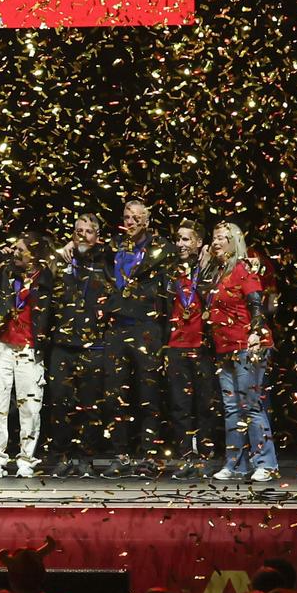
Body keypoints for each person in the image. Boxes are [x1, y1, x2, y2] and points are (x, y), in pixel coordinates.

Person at [207, 221, 277, 483]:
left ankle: (266, 463)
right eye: (214, 237)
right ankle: (236, 463)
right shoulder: (217, 272)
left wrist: (256, 333)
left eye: (222, 238)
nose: (215, 242)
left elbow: (256, 304)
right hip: (224, 347)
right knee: (232, 408)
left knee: (251, 405)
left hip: (247, 346)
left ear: (234, 242)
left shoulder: (242, 268)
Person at [104, 199, 171, 478]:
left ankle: (148, 454)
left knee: (148, 394)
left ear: (147, 219)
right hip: (117, 328)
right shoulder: (112, 247)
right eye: (126, 217)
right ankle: (120, 453)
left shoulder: (161, 248)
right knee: (115, 395)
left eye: (135, 217)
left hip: (148, 328)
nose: (130, 222)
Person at [47, 214, 114, 477]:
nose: (83, 235)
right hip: (63, 343)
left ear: (97, 236)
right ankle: (62, 455)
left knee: (90, 404)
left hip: (93, 344)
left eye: (89, 231)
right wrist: (60, 253)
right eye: (78, 230)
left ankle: (86, 457)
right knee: (60, 403)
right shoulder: (62, 260)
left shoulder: (105, 260)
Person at [0, 231, 50, 478]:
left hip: (29, 347)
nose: (15, 252)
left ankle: (26, 459)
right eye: (14, 248)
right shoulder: (5, 272)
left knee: (30, 407)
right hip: (2, 344)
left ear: (34, 254)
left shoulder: (45, 278)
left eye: (20, 249)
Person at [162, 219, 214, 479]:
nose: (180, 244)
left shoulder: (208, 269)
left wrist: (206, 269)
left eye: (186, 239)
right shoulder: (169, 270)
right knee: (180, 405)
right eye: (178, 239)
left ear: (198, 243)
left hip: (203, 346)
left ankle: (205, 457)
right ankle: (185, 457)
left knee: (204, 403)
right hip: (175, 346)